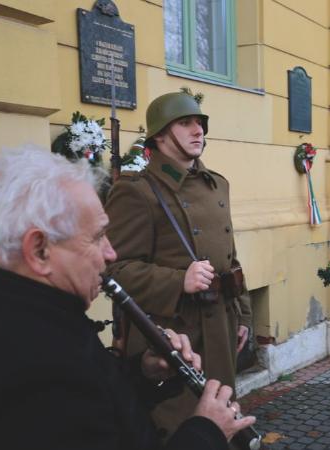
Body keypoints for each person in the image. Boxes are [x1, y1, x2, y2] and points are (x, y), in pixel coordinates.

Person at [0, 149, 255, 450]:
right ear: (39, 250)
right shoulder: (42, 366)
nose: (110, 253)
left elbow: (97, 402)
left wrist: (143, 373)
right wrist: (207, 431)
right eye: (97, 237)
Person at [104, 91, 253, 435]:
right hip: (176, 339)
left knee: (223, 420)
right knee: (181, 427)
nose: (197, 130)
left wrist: (243, 315)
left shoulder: (218, 185)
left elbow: (231, 259)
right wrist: (177, 280)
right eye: (185, 123)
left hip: (222, 326)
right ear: (159, 134)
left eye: (200, 123)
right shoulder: (137, 192)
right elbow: (113, 269)